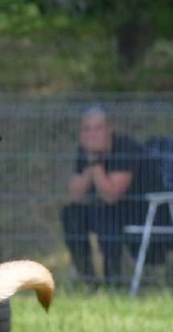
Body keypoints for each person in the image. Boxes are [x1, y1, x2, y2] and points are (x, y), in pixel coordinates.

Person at [60, 105, 149, 286]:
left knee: (104, 214)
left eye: (97, 128)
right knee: (71, 213)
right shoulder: (85, 151)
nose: (92, 134)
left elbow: (110, 194)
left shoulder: (125, 148)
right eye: (86, 129)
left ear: (109, 129)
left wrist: (94, 163)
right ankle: (89, 281)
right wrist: (91, 162)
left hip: (140, 209)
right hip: (104, 209)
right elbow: (76, 195)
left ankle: (113, 282)